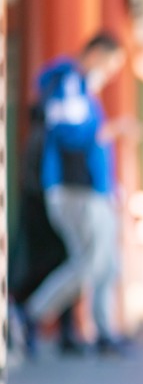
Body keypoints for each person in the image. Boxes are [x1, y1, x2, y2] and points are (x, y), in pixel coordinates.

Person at [17, 31, 134, 357]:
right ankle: (30, 315)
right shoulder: (69, 82)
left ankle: (104, 331)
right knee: (89, 263)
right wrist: (111, 130)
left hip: (93, 190)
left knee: (107, 264)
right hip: (74, 190)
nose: (111, 73)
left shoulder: (83, 89)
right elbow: (70, 135)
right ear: (97, 53)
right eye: (111, 64)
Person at [9, 103, 85, 355]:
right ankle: (59, 330)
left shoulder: (32, 138)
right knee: (58, 270)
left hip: (37, 216)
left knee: (46, 272)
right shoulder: (45, 140)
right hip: (47, 218)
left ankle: (61, 331)